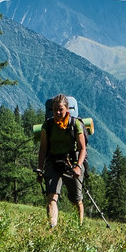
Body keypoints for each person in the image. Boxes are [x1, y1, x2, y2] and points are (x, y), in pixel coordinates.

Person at [37, 94, 87, 228]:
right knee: (51, 197)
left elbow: (83, 149)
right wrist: (40, 169)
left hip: (72, 163)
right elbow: (43, 149)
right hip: (53, 163)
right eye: (55, 110)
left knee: (76, 199)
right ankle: (52, 227)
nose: (58, 113)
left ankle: (78, 227)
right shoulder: (47, 126)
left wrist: (78, 166)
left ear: (67, 109)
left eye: (60, 109)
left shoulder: (75, 124)